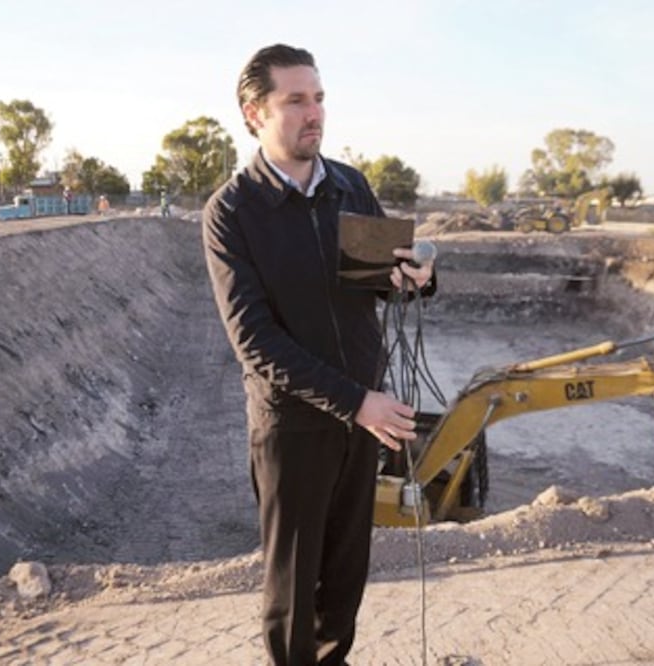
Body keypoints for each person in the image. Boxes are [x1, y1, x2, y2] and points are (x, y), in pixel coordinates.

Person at [202, 44, 435, 665]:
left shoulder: (350, 186)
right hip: (294, 426)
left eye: (320, 98)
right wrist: (357, 402)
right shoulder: (232, 212)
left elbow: (383, 280)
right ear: (255, 114)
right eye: (296, 101)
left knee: (345, 575)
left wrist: (419, 276)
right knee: (293, 590)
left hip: (364, 419)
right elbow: (255, 341)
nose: (315, 114)